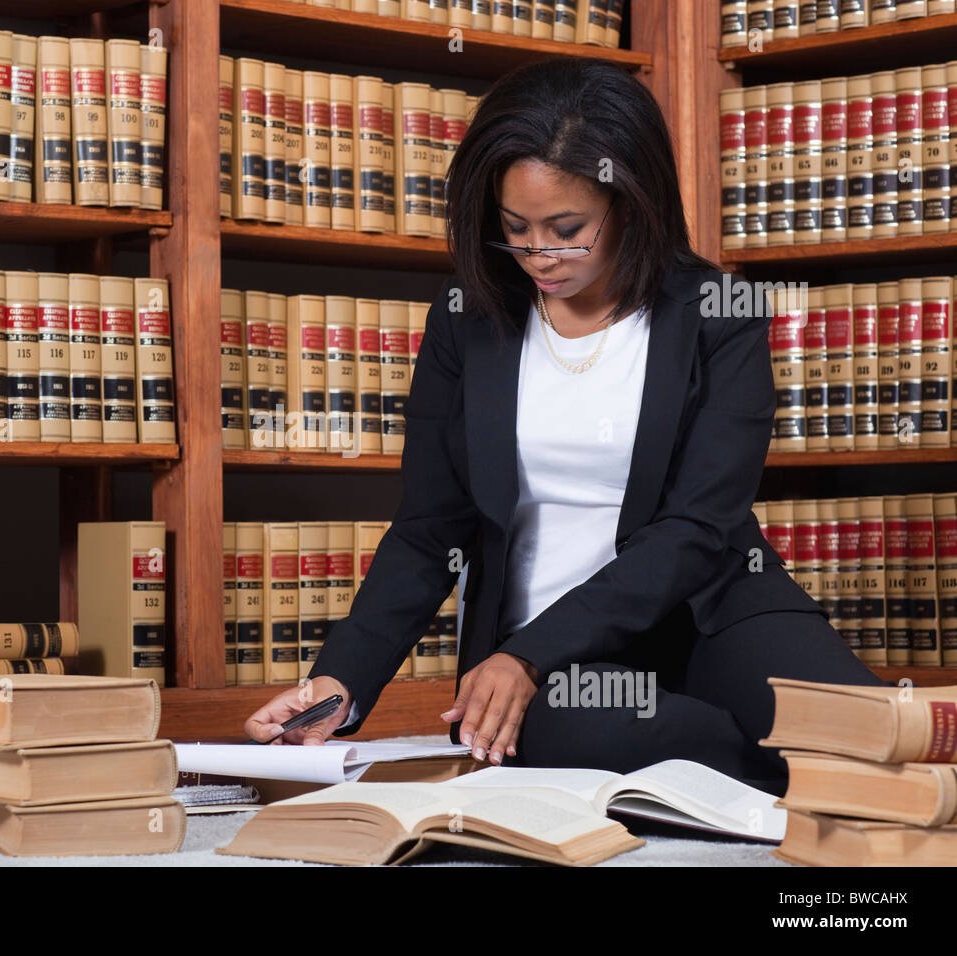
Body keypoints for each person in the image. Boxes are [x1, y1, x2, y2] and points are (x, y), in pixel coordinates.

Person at [243, 56, 890, 796]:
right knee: (640, 736)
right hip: (541, 665)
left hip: (712, 615)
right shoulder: (467, 320)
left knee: (868, 736)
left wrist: (530, 651)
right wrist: (340, 681)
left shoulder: (718, 311)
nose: (539, 255)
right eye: (515, 229)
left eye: (567, 229)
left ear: (631, 202)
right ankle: (763, 773)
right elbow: (430, 529)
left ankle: (792, 764)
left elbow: (698, 527)